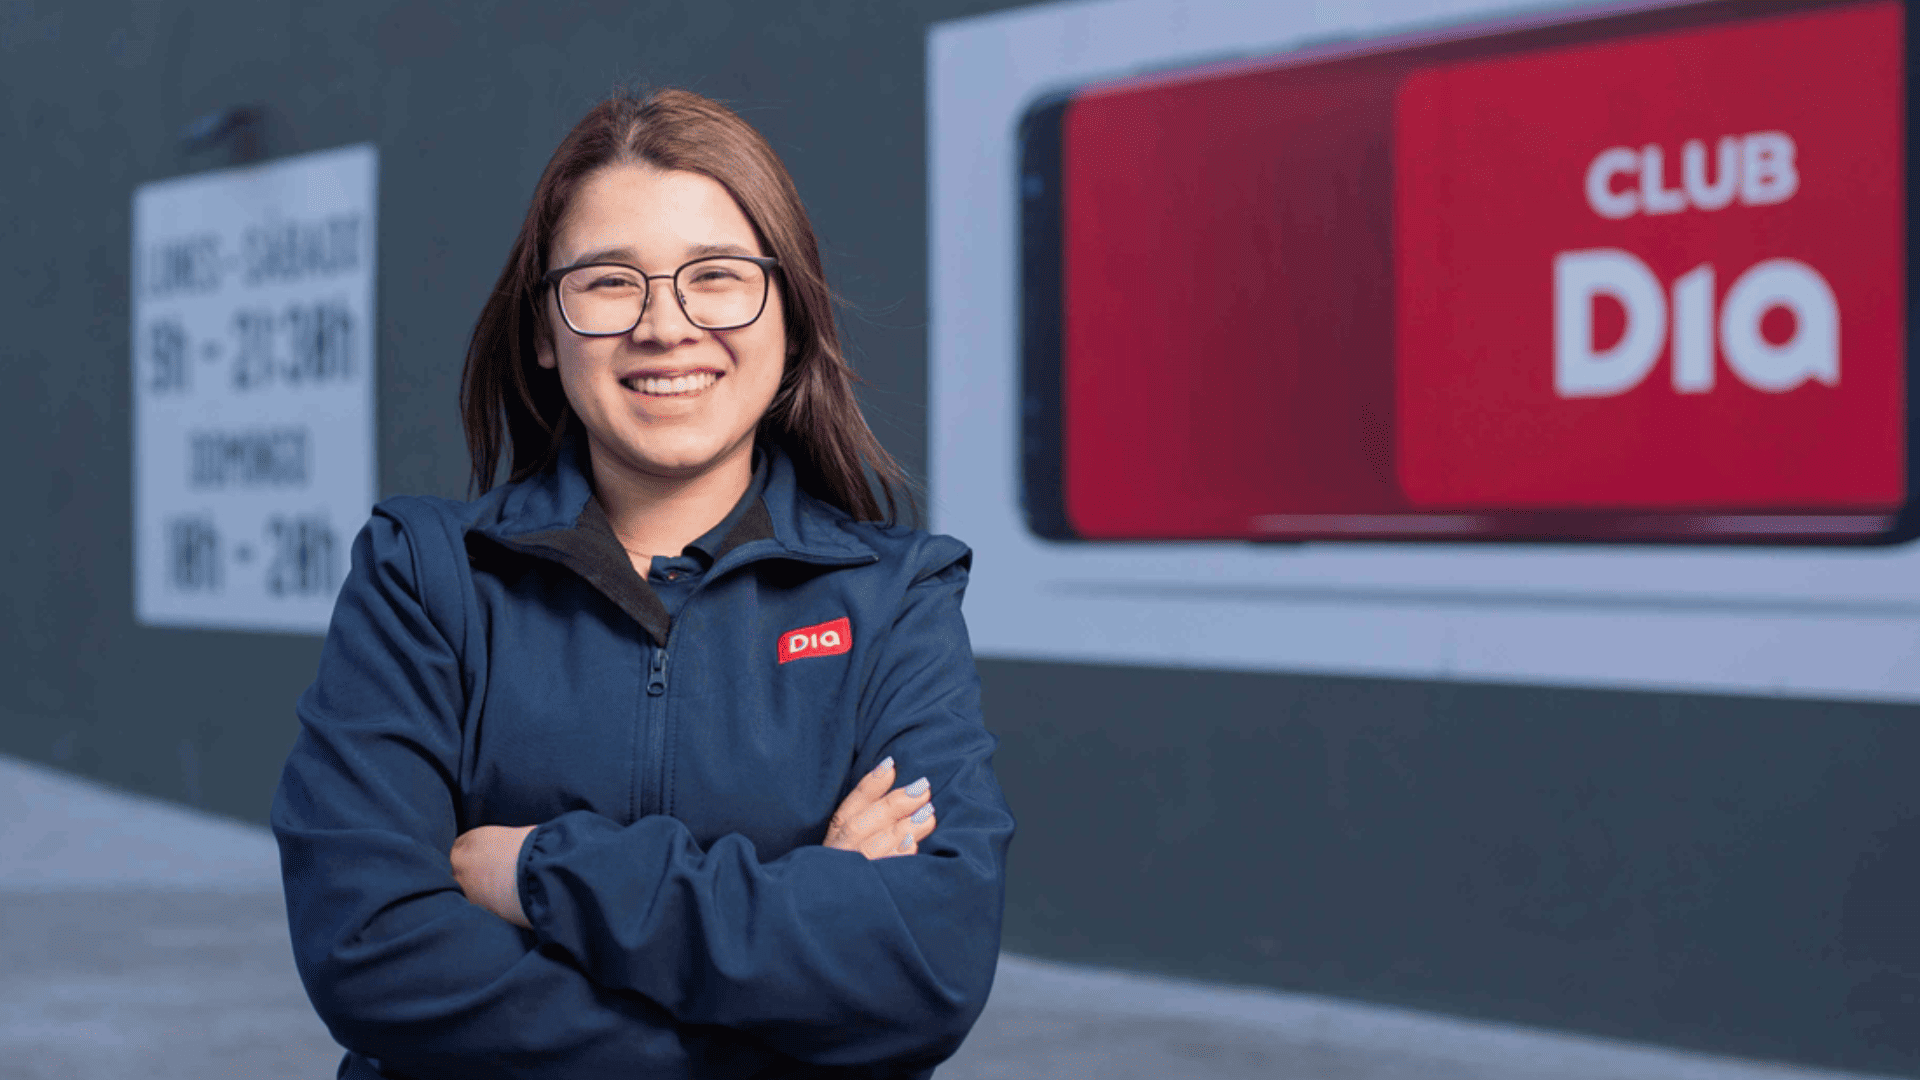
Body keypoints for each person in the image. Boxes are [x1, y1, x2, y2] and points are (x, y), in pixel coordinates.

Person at [271, 88, 1015, 1079]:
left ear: (790, 315)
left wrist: (542, 870)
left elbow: (927, 968)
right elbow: (371, 955)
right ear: (545, 329)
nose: (666, 326)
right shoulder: (426, 577)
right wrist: (794, 974)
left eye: (717, 276)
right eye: (610, 282)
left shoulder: (892, 601)